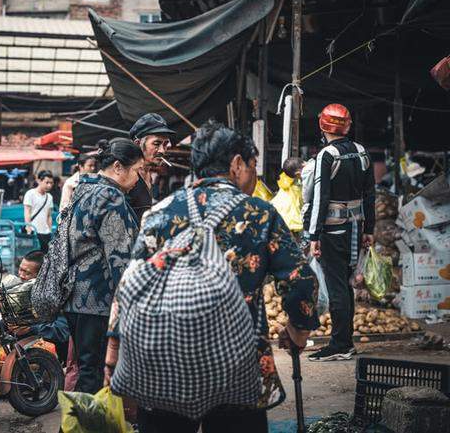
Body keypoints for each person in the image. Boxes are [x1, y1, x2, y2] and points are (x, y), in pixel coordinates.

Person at [105, 121, 320, 433]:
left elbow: (130, 286)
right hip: (236, 370)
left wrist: (113, 357)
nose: (254, 173)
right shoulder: (258, 214)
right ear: (236, 165)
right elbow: (301, 280)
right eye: (253, 165)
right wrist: (298, 331)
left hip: (162, 366)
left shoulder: (160, 212)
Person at [63, 138, 143, 394]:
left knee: (87, 368)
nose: (139, 180)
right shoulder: (110, 196)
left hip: (75, 296)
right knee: (93, 374)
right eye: (138, 171)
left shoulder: (83, 189)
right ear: (118, 167)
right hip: (97, 299)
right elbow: (122, 259)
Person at [306, 104, 375, 362]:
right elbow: (370, 194)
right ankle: (345, 341)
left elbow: (320, 198)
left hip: (332, 231)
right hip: (356, 230)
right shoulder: (361, 152)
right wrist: (370, 229)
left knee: (336, 286)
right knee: (345, 286)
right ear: (347, 126)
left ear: (323, 126)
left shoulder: (327, 155)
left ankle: (340, 344)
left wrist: (313, 236)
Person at [127, 113, 176, 222]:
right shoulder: (126, 177)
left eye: (165, 144)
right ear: (138, 143)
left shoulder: (148, 175)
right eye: (156, 144)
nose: (162, 151)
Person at [270, 157, 305, 235]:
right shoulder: (296, 185)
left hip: (282, 213)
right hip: (290, 216)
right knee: (294, 237)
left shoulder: (286, 182)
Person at [23, 170, 54, 252]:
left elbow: (49, 215)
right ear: (39, 181)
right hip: (34, 231)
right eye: (47, 182)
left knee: (45, 257)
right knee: (34, 257)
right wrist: (28, 227)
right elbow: (27, 212)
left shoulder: (49, 197)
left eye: (51, 183)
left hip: (46, 233)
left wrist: (50, 230)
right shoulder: (30, 194)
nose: (49, 185)